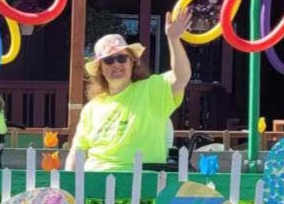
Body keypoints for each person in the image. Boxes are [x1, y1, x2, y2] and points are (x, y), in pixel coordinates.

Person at [65, 9, 193, 171]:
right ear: (100, 69)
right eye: (109, 60)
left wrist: (174, 40)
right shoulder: (92, 108)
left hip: (141, 188)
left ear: (132, 62)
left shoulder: (151, 89)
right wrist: (68, 187)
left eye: (122, 58)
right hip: (93, 187)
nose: (116, 64)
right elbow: (77, 151)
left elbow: (181, 77)